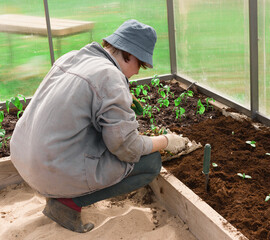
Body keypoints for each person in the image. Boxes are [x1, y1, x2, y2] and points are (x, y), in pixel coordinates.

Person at [10, 19, 187, 233]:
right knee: (149, 162)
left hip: (24, 159)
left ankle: (62, 192)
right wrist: (166, 141)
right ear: (128, 54)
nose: (138, 72)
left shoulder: (75, 57)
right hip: (50, 170)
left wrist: (121, 95)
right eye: (139, 64)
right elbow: (127, 148)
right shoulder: (110, 77)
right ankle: (67, 204)